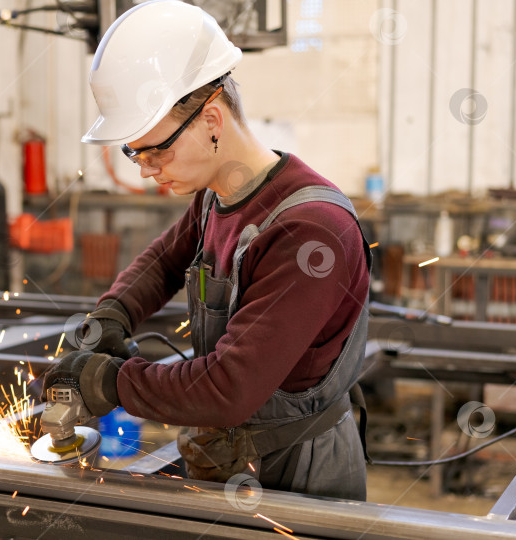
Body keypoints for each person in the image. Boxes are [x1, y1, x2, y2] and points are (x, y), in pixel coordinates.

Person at [42, 0, 371, 500]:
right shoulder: (218, 196)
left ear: (212, 119)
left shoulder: (311, 232)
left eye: (157, 149)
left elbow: (228, 388)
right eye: (135, 151)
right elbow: (164, 260)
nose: (145, 168)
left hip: (297, 473)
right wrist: (112, 315)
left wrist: (110, 382)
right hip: (232, 454)